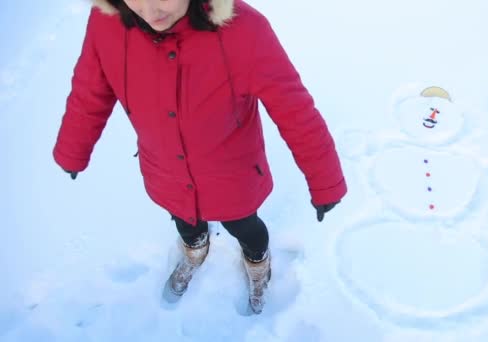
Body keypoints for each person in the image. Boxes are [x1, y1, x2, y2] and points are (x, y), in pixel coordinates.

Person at [52, 0, 347, 314]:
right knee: (184, 221)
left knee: (245, 227)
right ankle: (195, 247)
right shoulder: (106, 23)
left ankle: (257, 259)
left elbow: (295, 112)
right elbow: (89, 91)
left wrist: (325, 180)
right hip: (165, 171)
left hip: (234, 177)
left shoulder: (244, 30)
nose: (150, 14)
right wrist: (73, 149)